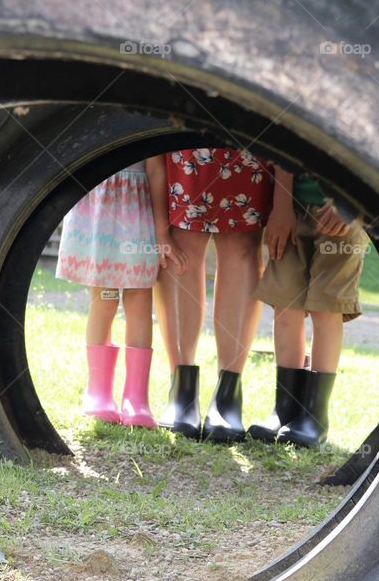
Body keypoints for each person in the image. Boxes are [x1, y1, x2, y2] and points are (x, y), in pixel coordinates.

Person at [147, 147, 273, 442]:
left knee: (242, 244)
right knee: (182, 239)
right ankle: (182, 390)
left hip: (246, 133)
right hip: (190, 131)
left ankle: (228, 396)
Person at [56, 160, 185, 428]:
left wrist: (162, 230)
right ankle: (98, 393)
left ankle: (136, 399)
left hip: (138, 207)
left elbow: (156, 169)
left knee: (139, 298)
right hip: (99, 203)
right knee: (105, 298)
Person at [248, 167, 368, 447]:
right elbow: (283, 145)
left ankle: (314, 415)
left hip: (341, 212)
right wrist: (281, 206)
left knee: (326, 308)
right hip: (292, 208)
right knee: (285, 304)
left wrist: (351, 204)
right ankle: (284, 409)